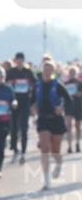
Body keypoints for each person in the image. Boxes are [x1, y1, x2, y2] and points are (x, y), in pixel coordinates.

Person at [31, 59, 70, 190]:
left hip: (56, 119)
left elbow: (69, 100)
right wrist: (33, 108)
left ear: (53, 71)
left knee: (55, 150)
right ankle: (47, 181)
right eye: (45, 69)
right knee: (45, 149)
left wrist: (62, 108)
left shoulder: (58, 85)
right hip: (43, 119)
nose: (47, 71)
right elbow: (31, 101)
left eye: (49, 69)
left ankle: (59, 163)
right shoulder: (37, 86)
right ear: (42, 70)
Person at [7, 51, 36, 164]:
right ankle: (15, 149)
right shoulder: (11, 72)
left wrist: (32, 101)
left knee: (24, 127)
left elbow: (35, 85)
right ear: (15, 60)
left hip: (25, 102)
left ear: (23, 60)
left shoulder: (28, 72)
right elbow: (6, 85)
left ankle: (23, 151)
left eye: (21, 59)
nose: (19, 61)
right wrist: (11, 83)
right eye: (17, 59)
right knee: (14, 127)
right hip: (14, 102)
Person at [63, 65, 80, 153]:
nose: (72, 74)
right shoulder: (65, 84)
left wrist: (77, 93)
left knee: (77, 126)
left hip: (78, 105)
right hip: (68, 106)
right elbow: (62, 95)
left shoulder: (79, 83)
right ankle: (69, 146)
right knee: (68, 126)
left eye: (73, 72)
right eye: (70, 72)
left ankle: (77, 143)